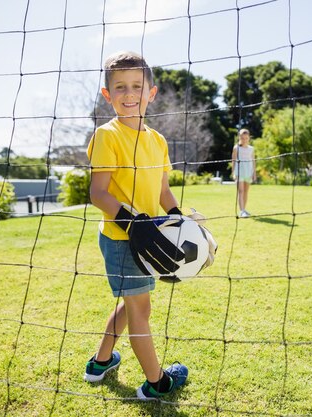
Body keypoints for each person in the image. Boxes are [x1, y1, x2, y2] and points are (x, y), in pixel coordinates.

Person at [84, 51, 188, 399]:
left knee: (131, 304)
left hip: (149, 238)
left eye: (136, 86)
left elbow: (161, 190)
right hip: (121, 237)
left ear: (151, 92)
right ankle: (157, 383)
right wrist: (133, 224)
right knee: (141, 308)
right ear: (107, 94)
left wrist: (178, 218)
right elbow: (98, 194)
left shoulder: (157, 140)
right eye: (120, 87)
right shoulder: (106, 136)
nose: (129, 94)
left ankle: (100, 362)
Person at [231, 128, 256, 218]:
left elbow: (253, 161)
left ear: (249, 138)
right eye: (242, 138)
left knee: (246, 191)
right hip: (239, 172)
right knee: (240, 191)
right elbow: (233, 160)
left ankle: (244, 209)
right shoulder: (236, 148)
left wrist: (254, 174)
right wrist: (233, 172)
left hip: (248, 172)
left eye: (246, 138)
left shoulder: (251, 149)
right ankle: (241, 211)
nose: (244, 139)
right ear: (239, 138)